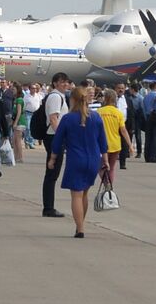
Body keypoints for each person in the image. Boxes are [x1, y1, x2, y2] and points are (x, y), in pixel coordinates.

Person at [49, 86, 108, 238]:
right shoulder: (96, 117)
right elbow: (103, 141)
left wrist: (53, 158)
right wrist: (105, 160)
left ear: (73, 100)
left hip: (76, 159)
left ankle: (80, 228)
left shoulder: (68, 118)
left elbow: (57, 140)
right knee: (84, 193)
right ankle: (80, 224)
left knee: (76, 195)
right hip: (93, 160)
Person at [40, 73, 72, 217]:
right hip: (53, 137)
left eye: (67, 82)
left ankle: (49, 206)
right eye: (62, 82)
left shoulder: (59, 96)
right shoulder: (55, 97)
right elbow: (53, 119)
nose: (65, 84)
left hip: (55, 136)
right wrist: (61, 137)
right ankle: (48, 207)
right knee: (52, 173)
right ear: (55, 83)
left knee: (52, 174)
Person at [99, 88, 130, 186]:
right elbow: (123, 130)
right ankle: (110, 186)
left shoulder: (99, 112)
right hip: (115, 144)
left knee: (101, 167)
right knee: (111, 168)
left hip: (102, 144)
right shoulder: (118, 113)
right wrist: (130, 145)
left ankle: (106, 184)